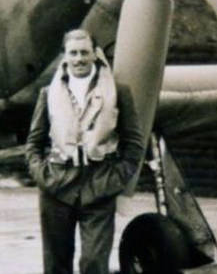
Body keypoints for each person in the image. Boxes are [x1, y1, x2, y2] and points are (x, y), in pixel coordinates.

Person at [25, 29, 145, 274]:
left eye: (84, 52)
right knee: (56, 264)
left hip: (100, 183)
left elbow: (134, 142)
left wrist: (117, 176)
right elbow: (33, 143)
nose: (79, 59)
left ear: (95, 54)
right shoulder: (48, 94)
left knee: (94, 262)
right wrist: (42, 174)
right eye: (73, 53)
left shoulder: (117, 92)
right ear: (64, 56)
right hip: (57, 185)